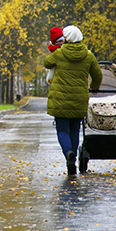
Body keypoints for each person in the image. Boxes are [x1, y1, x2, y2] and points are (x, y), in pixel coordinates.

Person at [44, 25, 102, 175]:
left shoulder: (60, 53)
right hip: (79, 99)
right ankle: (73, 158)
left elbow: (46, 63)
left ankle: (68, 153)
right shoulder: (88, 55)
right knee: (75, 130)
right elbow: (98, 75)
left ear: (67, 38)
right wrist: (94, 88)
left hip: (60, 100)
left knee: (62, 129)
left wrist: (56, 47)